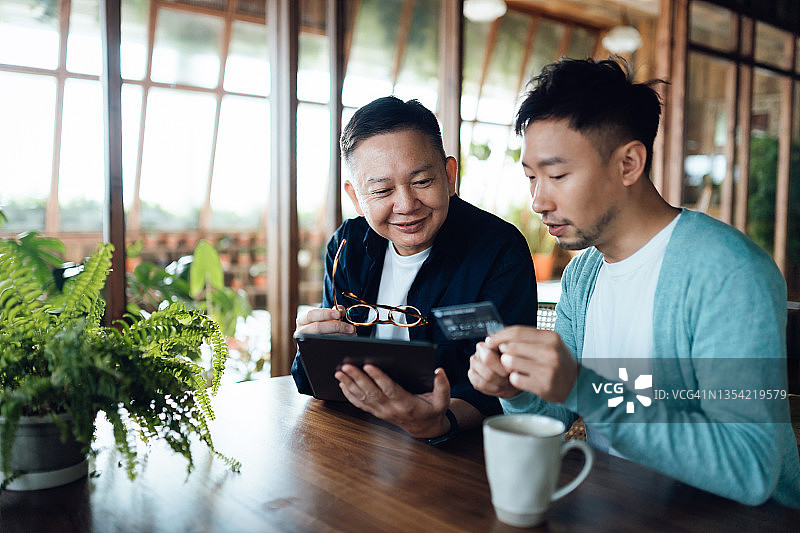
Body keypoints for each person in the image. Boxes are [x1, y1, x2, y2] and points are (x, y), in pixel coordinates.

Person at [468, 57, 800, 508]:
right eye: (531, 177)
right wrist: (516, 390)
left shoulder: (727, 273)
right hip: (619, 507)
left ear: (628, 163)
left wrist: (581, 387)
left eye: (558, 175)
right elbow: (561, 410)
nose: (538, 201)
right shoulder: (585, 274)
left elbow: (751, 466)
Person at [291, 96, 538, 443]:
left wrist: (438, 421)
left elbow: (505, 386)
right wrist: (315, 342)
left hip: (460, 448)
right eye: (382, 190)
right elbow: (322, 378)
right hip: (359, 436)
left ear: (449, 176)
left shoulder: (498, 250)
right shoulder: (347, 247)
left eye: (422, 181)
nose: (406, 205)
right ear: (356, 197)